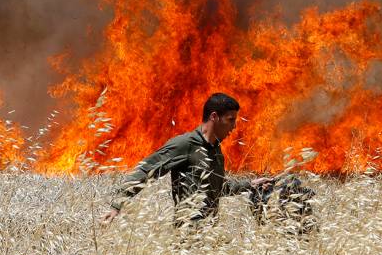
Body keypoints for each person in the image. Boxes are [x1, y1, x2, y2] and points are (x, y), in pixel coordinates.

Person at [100, 92, 272, 226]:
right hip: (187, 240)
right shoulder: (185, 144)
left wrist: (250, 185)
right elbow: (147, 169)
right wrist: (117, 206)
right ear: (214, 117)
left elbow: (217, 187)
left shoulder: (216, 151)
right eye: (230, 120)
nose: (234, 126)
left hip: (210, 237)